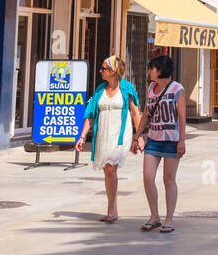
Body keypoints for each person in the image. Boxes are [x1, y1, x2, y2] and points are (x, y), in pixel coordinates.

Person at [76, 56, 141, 223]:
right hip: (103, 134)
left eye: (103, 68)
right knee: (107, 170)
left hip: (121, 135)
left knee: (111, 168)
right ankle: (113, 208)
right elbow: (90, 115)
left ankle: (111, 210)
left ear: (113, 72)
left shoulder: (127, 88)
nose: (100, 71)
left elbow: (135, 113)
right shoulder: (99, 90)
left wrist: (138, 136)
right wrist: (82, 137)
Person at [133, 53, 186, 234]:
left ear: (160, 70)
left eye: (152, 68)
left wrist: (182, 141)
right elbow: (147, 114)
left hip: (171, 140)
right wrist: (137, 136)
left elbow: (182, 117)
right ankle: (154, 215)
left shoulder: (177, 90)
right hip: (153, 139)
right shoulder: (151, 88)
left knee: (168, 180)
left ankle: (169, 219)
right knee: (148, 178)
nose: (149, 71)